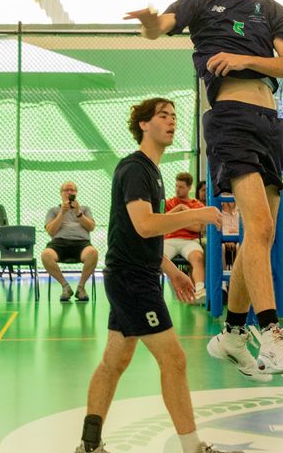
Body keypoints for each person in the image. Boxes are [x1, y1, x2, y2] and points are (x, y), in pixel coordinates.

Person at [125, 0, 283, 377]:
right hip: (231, 119)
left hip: (270, 124)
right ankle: (270, 336)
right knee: (261, 228)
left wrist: (243, 58)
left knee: (260, 235)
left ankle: (231, 334)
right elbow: (161, 26)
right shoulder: (200, 4)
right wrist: (151, 24)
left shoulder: (270, 10)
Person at [75, 97, 234, 453]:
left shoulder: (152, 172)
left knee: (114, 362)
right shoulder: (136, 169)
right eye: (163, 116)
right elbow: (145, 225)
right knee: (174, 359)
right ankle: (192, 446)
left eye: (174, 116)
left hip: (136, 275)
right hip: (132, 280)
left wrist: (172, 272)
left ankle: (89, 444)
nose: (171, 121)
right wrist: (196, 214)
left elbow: (140, 236)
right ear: (144, 125)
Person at [43, 182, 99, 302]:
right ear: (61, 193)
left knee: (93, 253)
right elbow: (51, 231)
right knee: (46, 255)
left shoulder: (85, 209)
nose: (69, 192)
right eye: (66, 190)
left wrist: (78, 213)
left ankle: (81, 288)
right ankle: (65, 286)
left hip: (82, 243)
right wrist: (62, 213)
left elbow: (91, 227)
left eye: (72, 190)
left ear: (76, 193)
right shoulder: (53, 210)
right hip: (59, 244)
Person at [163, 172, 207, 303]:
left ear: (189, 188)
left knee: (198, 257)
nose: (177, 189)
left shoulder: (197, 205)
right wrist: (179, 208)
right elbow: (162, 222)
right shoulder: (169, 203)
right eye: (176, 186)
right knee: (156, 257)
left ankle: (200, 291)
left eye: (181, 187)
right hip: (169, 240)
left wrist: (175, 221)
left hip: (189, 241)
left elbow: (198, 228)